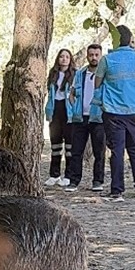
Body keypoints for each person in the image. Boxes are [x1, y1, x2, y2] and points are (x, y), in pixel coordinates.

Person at [93, 25, 135, 200]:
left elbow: (97, 84)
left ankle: (117, 191)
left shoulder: (107, 60)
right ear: (131, 40)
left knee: (117, 151)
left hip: (113, 111)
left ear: (115, 40)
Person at [65, 43, 105, 192]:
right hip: (80, 117)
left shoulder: (105, 74)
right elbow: (72, 91)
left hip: (98, 117)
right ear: (87, 56)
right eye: (91, 55)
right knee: (76, 151)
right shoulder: (80, 73)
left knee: (99, 152)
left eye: (96, 55)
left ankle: (98, 181)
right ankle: (74, 181)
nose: (93, 58)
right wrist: (73, 102)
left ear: (101, 56)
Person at [43, 47, 75, 185]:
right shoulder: (53, 73)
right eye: (62, 56)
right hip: (55, 109)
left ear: (70, 59)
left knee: (69, 145)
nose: (64, 59)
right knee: (55, 143)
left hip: (68, 111)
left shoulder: (75, 74)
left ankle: (68, 175)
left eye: (67, 57)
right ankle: (54, 174)